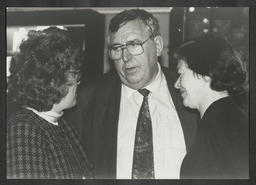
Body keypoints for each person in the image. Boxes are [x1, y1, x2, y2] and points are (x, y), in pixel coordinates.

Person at [64, 9, 199, 179]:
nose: (126, 57)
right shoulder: (88, 98)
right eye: (117, 48)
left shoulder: (190, 92)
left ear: (157, 46)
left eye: (134, 45)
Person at [7, 27, 95, 179]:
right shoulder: (23, 128)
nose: (78, 82)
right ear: (51, 79)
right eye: (74, 74)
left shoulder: (68, 129)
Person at [173, 34, 249, 179]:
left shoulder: (224, 121)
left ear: (205, 73)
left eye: (180, 74)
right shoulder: (223, 117)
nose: (176, 84)